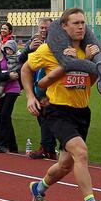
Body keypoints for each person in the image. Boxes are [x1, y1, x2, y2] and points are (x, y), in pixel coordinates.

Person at [22, 8, 101, 201]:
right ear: (64, 27)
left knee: (65, 165)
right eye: (75, 23)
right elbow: (26, 69)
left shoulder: (92, 50)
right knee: (81, 153)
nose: (81, 27)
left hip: (82, 111)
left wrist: (90, 63)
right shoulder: (49, 49)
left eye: (83, 22)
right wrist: (30, 97)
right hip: (58, 110)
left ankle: (39, 188)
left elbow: (92, 80)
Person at [45, 17, 101, 96]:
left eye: (82, 23)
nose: (80, 27)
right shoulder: (86, 49)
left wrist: (33, 95)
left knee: (68, 62)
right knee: (98, 53)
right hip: (76, 101)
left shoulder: (45, 49)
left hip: (65, 101)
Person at [20, 17, 58, 160]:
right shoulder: (32, 42)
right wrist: (29, 50)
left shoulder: (54, 44)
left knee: (47, 116)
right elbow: (21, 61)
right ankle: (49, 147)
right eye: (41, 28)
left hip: (48, 85)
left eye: (46, 27)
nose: (43, 30)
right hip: (34, 83)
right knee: (41, 117)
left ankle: (47, 147)